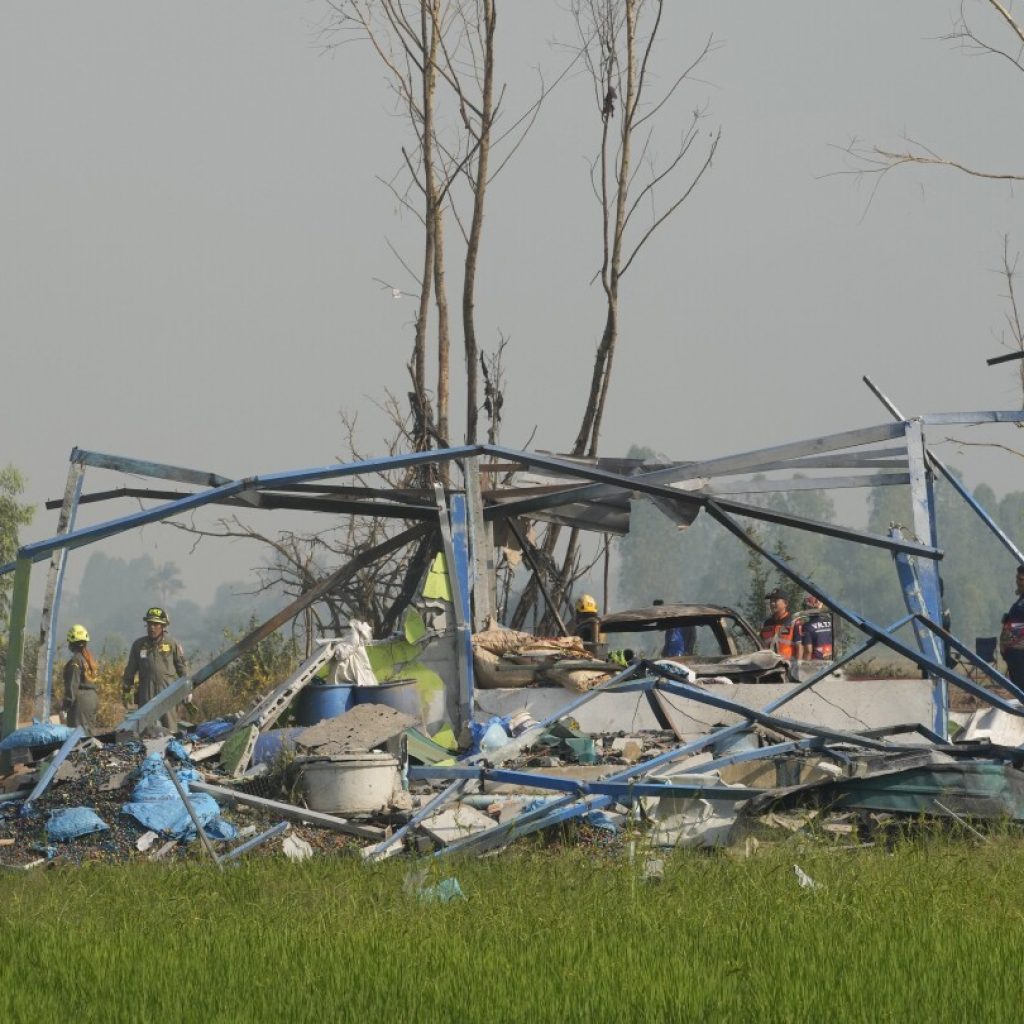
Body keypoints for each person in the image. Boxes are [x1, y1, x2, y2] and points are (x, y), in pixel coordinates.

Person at [122, 607, 188, 732]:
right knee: (146, 730)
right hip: (146, 694)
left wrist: (187, 688)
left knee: (170, 729)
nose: (151, 627)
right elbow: (130, 670)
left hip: (168, 693)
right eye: (149, 624)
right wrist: (126, 690)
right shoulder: (138, 645)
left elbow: (182, 668)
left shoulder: (172, 644)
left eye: (155, 624)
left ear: (163, 626)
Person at [63, 624, 99, 735]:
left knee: (77, 736)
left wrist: (65, 706)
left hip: (80, 702)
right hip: (93, 699)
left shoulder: (75, 661)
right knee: (89, 732)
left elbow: (72, 685)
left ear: (71, 643)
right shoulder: (90, 660)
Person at [999, 565, 1024, 687]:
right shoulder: (1020, 600)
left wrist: (1012, 630)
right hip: (1015, 657)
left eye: (1021, 580)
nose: (1018, 583)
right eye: (1017, 579)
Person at [760, 589, 798, 660]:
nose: (772, 603)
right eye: (771, 601)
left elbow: (800, 647)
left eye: (775, 600)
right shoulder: (767, 624)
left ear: (786, 603)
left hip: (788, 666)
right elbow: (762, 646)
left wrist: (799, 666)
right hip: (770, 667)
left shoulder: (794, 622)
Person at [795, 594, 834, 662]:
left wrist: (803, 668)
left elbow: (808, 651)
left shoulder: (807, 626)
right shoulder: (831, 622)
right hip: (832, 662)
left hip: (817, 665)